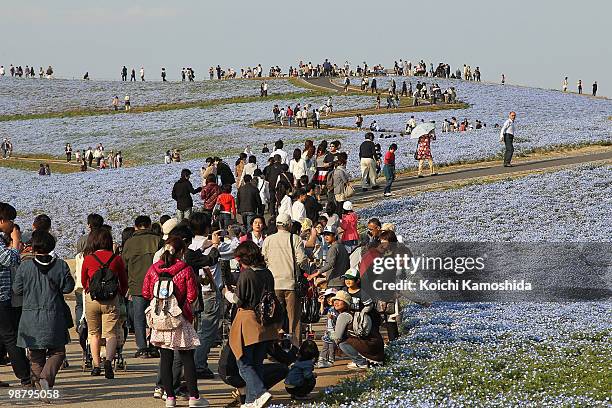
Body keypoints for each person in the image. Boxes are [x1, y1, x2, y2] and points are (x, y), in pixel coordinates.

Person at [142, 237, 209, 407]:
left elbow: (146, 292)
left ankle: (170, 397)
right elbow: (192, 295)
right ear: (181, 252)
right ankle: (194, 397)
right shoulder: (185, 269)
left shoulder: (154, 269)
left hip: (160, 319)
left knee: (165, 358)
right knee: (187, 357)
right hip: (179, 317)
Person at [13, 230, 74, 396]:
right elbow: (68, 287)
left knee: (35, 355)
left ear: (33, 247)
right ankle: (46, 378)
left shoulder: (25, 266)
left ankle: (40, 384)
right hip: (54, 315)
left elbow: (17, 289)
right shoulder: (61, 265)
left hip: (30, 317)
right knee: (58, 352)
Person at [227, 241, 279, 407]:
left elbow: (238, 300)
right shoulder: (268, 273)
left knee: (243, 363)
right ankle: (251, 400)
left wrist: (226, 293)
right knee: (257, 363)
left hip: (248, 321)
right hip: (266, 322)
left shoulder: (247, 274)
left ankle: (261, 392)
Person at [81, 228, 128, 378]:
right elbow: (123, 280)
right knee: (111, 333)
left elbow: (83, 280)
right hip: (111, 298)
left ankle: (96, 366)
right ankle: (108, 360)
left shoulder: (88, 258)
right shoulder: (116, 259)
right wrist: (120, 293)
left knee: (93, 333)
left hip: (92, 298)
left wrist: (89, 289)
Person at [261, 214, 308, 345]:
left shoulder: (268, 240)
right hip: (291, 284)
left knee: (275, 316)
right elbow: (302, 259)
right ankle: (295, 345)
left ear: (277, 225)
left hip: (274, 284)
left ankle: (274, 346)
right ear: (289, 225)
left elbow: (263, 259)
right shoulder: (295, 238)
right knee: (294, 318)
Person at [121, 216, 162, 359]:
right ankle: (154, 345)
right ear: (150, 225)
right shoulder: (157, 240)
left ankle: (142, 347)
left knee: (139, 317)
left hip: (137, 285)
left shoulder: (129, 243)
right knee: (156, 315)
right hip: (156, 284)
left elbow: (124, 265)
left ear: (136, 226)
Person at [0, 203, 31, 387]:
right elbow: (9, 259)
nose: (12, 224)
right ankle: (26, 377)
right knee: (11, 337)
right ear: (2, 220)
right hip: (1, 296)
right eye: (10, 220)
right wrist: (16, 241)